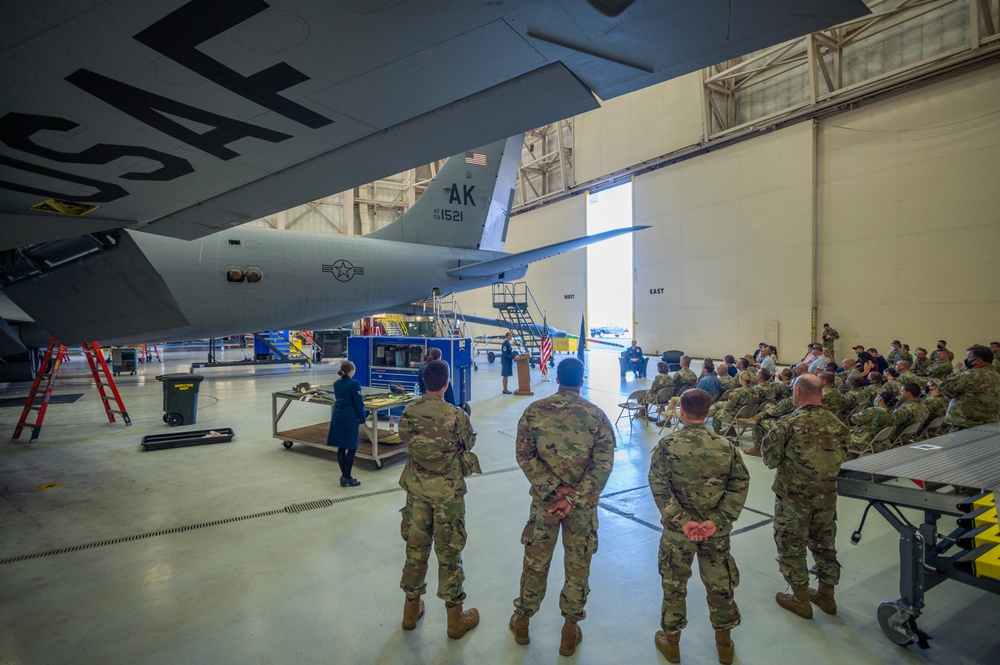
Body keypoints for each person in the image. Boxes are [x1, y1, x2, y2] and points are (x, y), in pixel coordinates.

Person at [510, 358, 615, 657]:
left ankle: (523, 621)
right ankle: (569, 631)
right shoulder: (597, 416)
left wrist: (552, 490)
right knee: (578, 567)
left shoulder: (535, 411)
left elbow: (524, 455)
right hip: (580, 510)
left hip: (545, 506)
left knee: (535, 563)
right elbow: (603, 465)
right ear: (581, 380)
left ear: (556, 378)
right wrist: (573, 498)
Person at [648, 389, 750, 665]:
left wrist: (683, 520)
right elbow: (739, 486)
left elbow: (659, 486)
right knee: (721, 585)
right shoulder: (726, 447)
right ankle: (725, 647)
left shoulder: (668, 446)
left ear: (681, 411)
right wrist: (716, 521)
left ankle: (672, 644)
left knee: (674, 584)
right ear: (708, 412)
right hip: (714, 533)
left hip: (678, 534)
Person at [396, 360, 480, 639]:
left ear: (424, 382)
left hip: (417, 492)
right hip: (447, 495)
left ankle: (410, 612)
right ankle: (455, 620)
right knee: (450, 554)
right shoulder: (456, 415)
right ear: (446, 384)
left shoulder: (409, 410)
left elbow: (405, 438)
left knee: (415, 550)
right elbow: (468, 442)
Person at [761, 374, 849, 620]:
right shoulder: (838, 425)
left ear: (797, 392)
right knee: (824, 544)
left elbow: (769, 460)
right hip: (827, 497)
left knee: (791, 546)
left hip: (794, 499)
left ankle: (800, 598)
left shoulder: (788, 424)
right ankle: (826, 594)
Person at [939, 345, 1000, 429]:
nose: (967, 360)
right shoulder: (996, 375)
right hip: (989, 423)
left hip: (965, 423)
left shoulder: (972, 375)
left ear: (977, 361)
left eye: (968, 357)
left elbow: (942, 388)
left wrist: (953, 393)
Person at [328, 360, 367, 487]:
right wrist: (363, 418)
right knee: (352, 447)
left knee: (341, 447)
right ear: (351, 371)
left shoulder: (336, 384)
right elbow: (359, 403)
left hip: (337, 417)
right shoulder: (355, 384)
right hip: (349, 420)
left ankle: (345, 477)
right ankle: (347, 477)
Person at [848, 391, 897, 456]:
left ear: (880, 398)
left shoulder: (873, 411)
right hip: (882, 443)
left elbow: (854, 420)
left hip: (865, 442)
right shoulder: (892, 413)